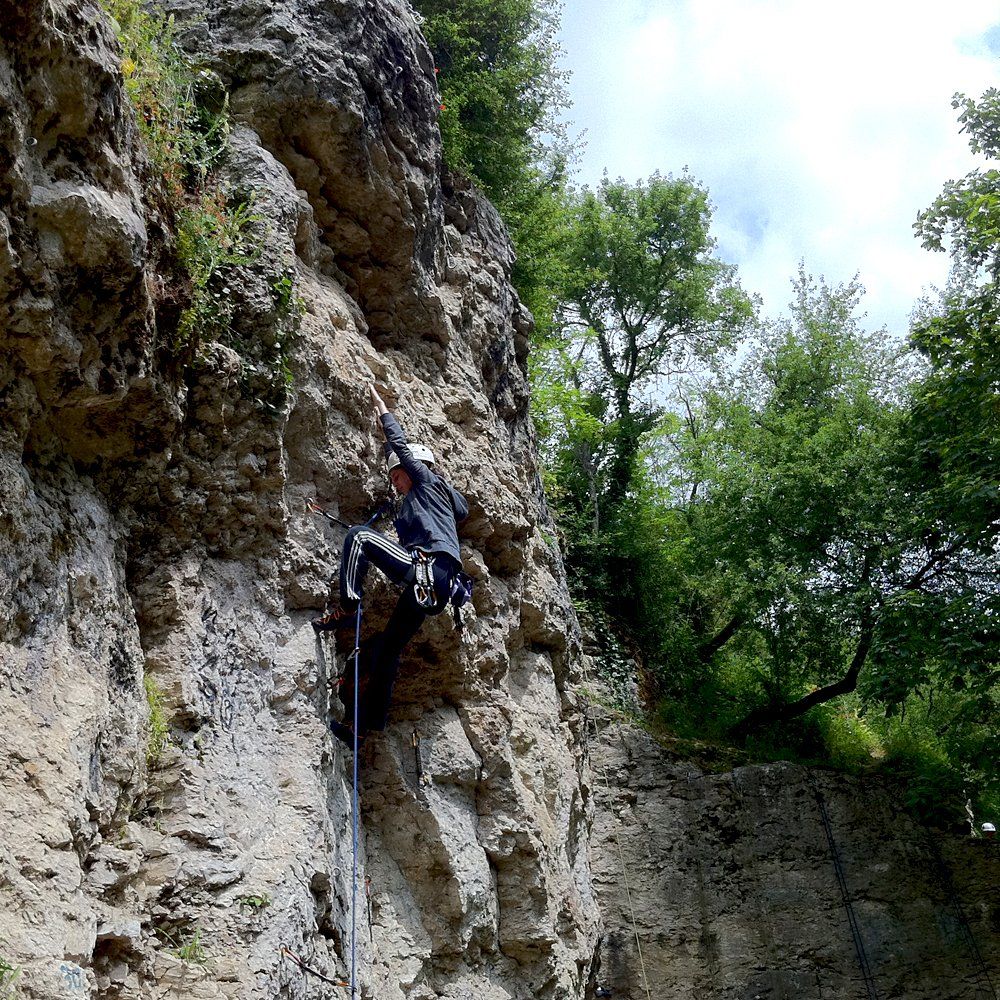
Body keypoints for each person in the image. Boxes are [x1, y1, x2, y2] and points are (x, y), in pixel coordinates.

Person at [312, 387, 469, 748]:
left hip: (427, 569)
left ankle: (348, 609)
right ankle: (362, 728)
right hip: (435, 587)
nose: (395, 483)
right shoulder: (435, 502)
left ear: (414, 470)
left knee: (360, 537)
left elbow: (400, 445)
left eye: (397, 476)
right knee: (387, 651)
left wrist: (383, 412)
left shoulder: (428, 484)